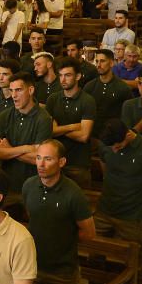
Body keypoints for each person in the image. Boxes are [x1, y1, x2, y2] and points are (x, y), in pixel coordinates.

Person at [22, 140, 95, 284]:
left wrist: (63, 241)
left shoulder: (73, 194)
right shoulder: (29, 186)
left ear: (61, 162)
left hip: (63, 270)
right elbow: (31, 215)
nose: (41, 164)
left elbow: (89, 233)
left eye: (48, 159)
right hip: (33, 264)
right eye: (38, 158)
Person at [95, 118, 142, 281]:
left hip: (132, 217)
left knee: (134, 261)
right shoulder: (106, 145)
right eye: (110, 147)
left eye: (117, 146)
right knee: (95, 252)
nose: (113, 150)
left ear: (128, 135)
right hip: (105, 210)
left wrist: (138, 202)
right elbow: (105, 168)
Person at [0, 73, 54, 197]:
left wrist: (8, 150)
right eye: (11, 90)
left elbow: (38, 159)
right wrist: (25, 149)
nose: (13, 95)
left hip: (33, 187)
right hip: (7, 185)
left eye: (18, 90)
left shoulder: (44, 118)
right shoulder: (4, 116)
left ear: (30, 90)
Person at [47, 58, 97, 187]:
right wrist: (73, 126)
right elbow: (48, 131)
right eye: (61, 75)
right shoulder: (53, 99)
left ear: (78, 76)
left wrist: (59, 129)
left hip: (78, 164)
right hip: (54, 161)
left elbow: (83, 136)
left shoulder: (87, 100)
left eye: (68, 75)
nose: (63, 80)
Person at [86, 48, 137, 139]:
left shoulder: (123, 88)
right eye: (97, 61)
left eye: (102, 61)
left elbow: (130, 113)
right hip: (93, 135)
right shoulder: (89, 87)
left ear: (111, 63)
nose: (98, 65)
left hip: (115, 136)